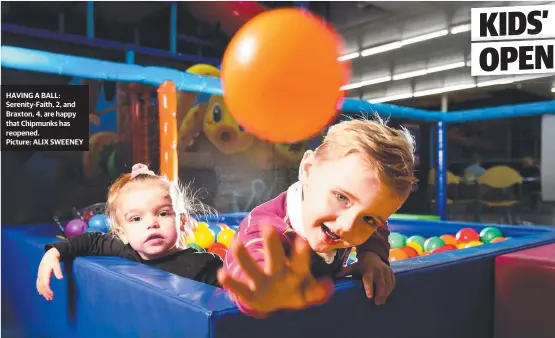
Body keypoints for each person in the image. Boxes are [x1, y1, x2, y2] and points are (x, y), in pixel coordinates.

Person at [218, 118, 417, 318]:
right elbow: (250, 270)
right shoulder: (265, 230)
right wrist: (265, 290)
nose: (347, 226)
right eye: (341, 197)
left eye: (368, 220)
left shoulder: (344, 221)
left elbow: (379, 225)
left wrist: (372, 255)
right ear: (308, 170)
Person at [36, 164, 222, 301]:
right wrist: (54, 252)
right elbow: (93, 241)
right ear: (121, 232)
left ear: (182, 222)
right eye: (136, 218)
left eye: (163, 213)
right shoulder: (126, 250)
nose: (151, 223)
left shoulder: (204, 265)